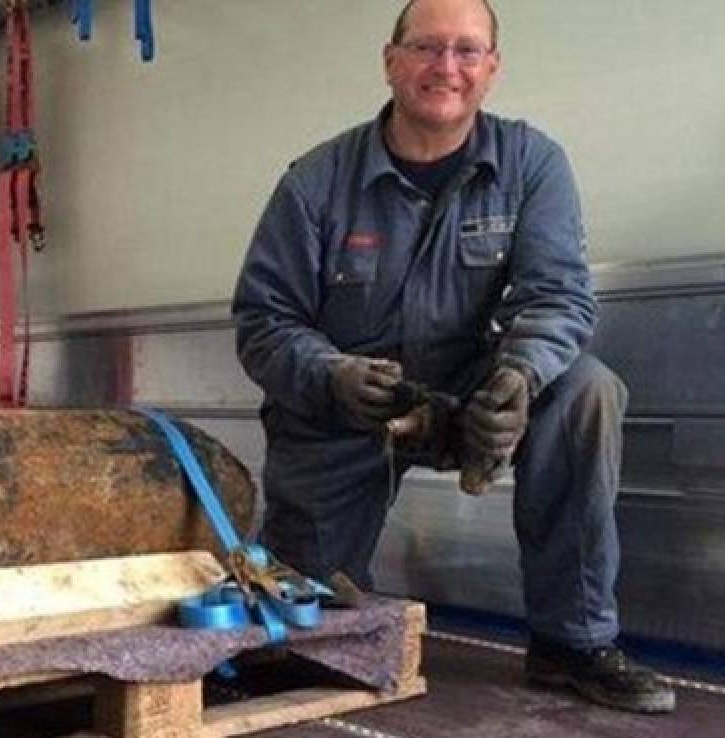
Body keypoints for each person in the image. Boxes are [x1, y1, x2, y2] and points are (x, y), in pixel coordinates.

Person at [231, 0, 675, 715]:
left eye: (468, 52)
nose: (447, 67)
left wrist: (520, 378)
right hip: (353, 406)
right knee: (305, 646)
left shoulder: (533, 164)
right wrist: (332, 375)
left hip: (479, 393)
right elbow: (263, 320)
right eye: (428, 48)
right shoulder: (313, 182)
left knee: (587, 389)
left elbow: (559, 296)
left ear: (492, 69)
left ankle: (572, 641)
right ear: (391, 60)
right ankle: (312, 621)